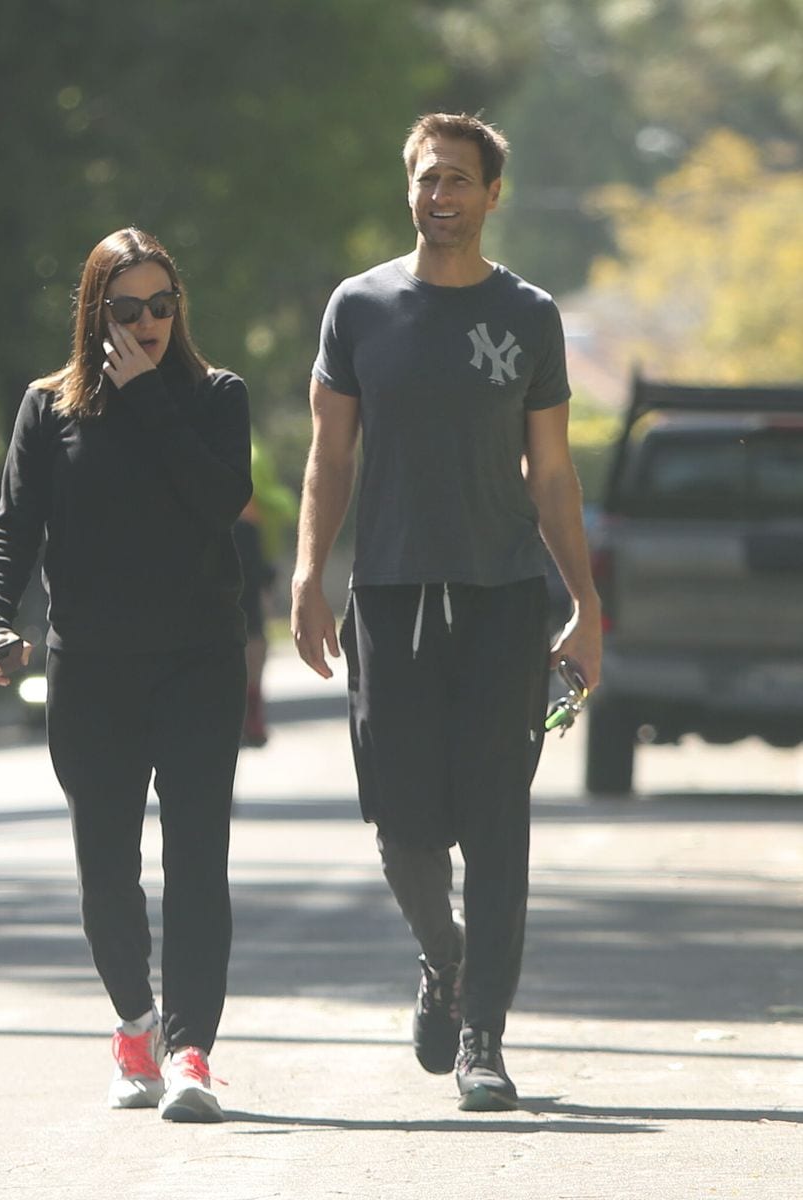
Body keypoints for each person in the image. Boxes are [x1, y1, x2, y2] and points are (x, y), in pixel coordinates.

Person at [291, 113, 602, 1113]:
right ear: (410, 186)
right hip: (387, 594)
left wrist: (584, 603)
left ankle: (483, 1039)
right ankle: (444, 957)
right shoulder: (360, 308)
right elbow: (329, 457)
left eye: (460, 180)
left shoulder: (528, 316)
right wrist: (307, 576)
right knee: (401, 824)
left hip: (504, 600)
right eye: (428, 177)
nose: (442, 195)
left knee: (496, 825)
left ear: (490, 194)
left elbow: (550, 475)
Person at [0, 227, 251, 1122]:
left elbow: (217, 503)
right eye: (125, 309)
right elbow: (13, 527)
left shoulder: (215, 398)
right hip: (90, 667)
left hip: (198, 662)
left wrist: (147, 401)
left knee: (198, 860)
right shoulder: (47, 408)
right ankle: (134, 1025)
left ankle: (192, 1052)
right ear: (95, 312)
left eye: (160, 306)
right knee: (105, 866)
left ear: (180, 308)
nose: (145, 324)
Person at [235, 437, 299, 747]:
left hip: (243, 547)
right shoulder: (252, 449)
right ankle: (251, 705)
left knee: (252, 630)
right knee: (255, 631)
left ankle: (250, 706)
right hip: (246, 545)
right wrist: (287, 503)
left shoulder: (251, 446)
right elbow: (267, 501)